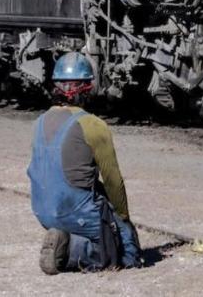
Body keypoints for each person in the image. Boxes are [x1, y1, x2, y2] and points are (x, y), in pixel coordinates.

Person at [28, 52, 141, 274]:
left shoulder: (39, 122)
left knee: (93, 194)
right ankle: (69, 249)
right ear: (87, 88)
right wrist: (122, 221)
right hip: (76, 212)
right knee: (123, 248)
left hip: (42, 211)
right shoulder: (93, 124)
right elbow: (113, 181)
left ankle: (63, 236)